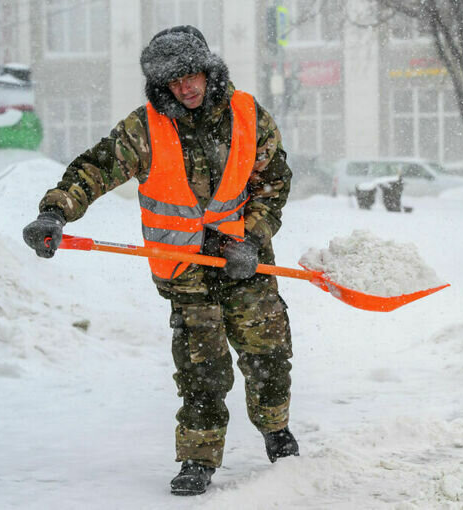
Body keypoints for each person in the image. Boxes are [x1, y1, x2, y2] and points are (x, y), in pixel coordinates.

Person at [21, 26, 298, 496]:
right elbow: (95, 168)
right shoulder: (144, 128)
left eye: (192, 76)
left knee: (267, 353)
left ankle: (276, 430)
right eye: (174, 81)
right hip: (184, 269)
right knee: (202, 370)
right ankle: (198, 458)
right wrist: (54, 212)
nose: (186, 88)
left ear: (208, 71)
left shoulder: (248, 115)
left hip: (244, 263)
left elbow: (273, 183)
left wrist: (252, 239)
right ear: (161, 85)